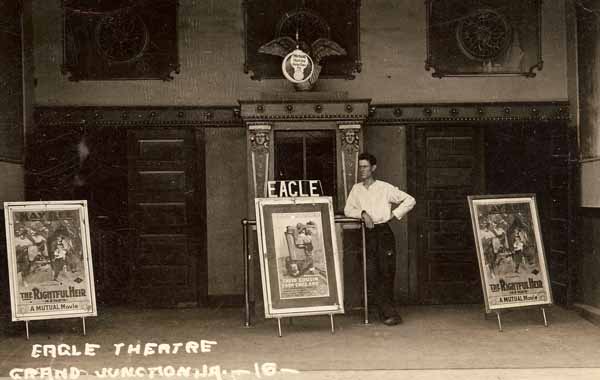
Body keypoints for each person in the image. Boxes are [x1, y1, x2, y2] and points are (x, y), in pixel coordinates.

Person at [344, 152, 416, 326]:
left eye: (365, 166)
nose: (362, 170)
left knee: (386, 271)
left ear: (373, 168)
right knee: (371, 272)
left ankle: (390, 313)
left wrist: (394, 215)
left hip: (383, 232)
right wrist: (362, 214)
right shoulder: (356, 189)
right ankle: (384, 311)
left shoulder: (384, 188)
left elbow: (410, 200)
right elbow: (348, 210)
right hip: (366, 233)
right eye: (360, 167)